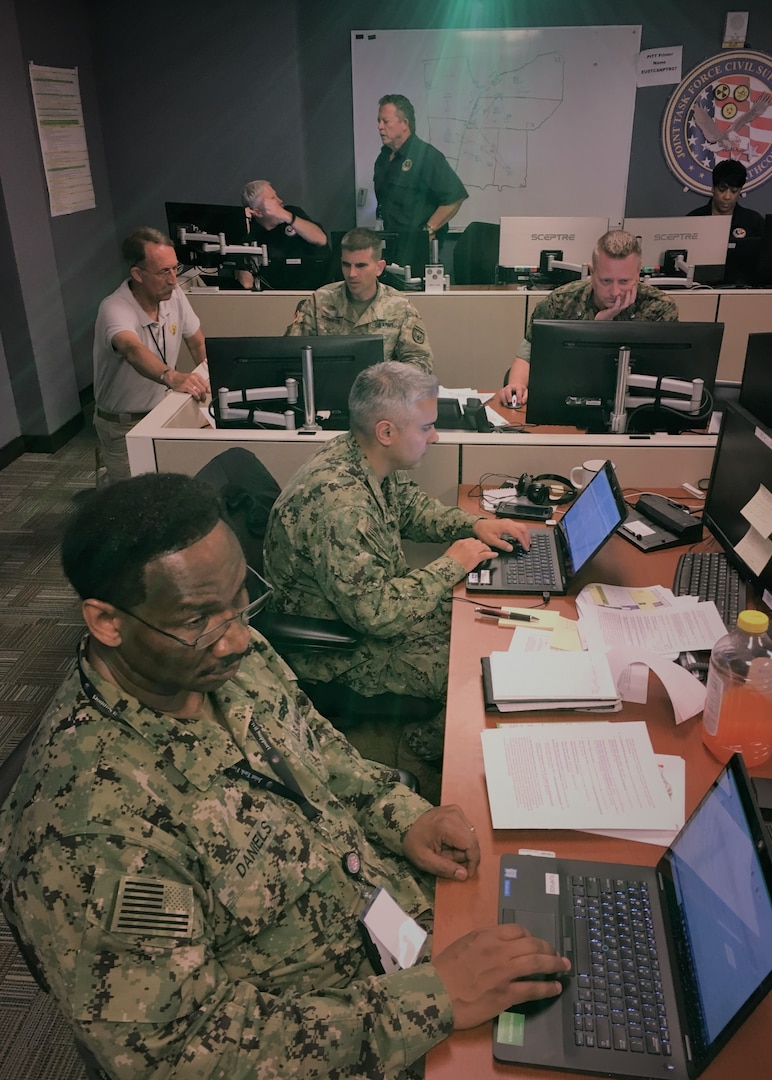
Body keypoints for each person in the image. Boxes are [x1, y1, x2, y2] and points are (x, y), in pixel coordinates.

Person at [0, 473, 569, 1080]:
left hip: (392, 920)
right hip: (340, 1033)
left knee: (582, 959)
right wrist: (435, 998)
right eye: (200, 620)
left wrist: (402, 817)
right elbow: (177, 1054)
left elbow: (319, 751)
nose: (238, 638)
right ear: (107, 622)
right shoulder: (92, 830)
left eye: (240, 600)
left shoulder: (218, 662)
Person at [263, 362, 529, 787]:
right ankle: (418, 746)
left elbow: (412, 509)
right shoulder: (341, 505)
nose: (436, 436)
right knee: (476, 670)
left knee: (484, 622)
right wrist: (451, 565)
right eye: (426, 428)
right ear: (387, 432)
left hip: (368, 609)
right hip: (335, 648)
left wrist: (473, 525)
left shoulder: (362, 455)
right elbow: (376, 615)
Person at [497, 229, 679, 408]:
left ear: (638, 273)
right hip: (568, 404)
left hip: (638, 409)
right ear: (592, 272)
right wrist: (516, 385)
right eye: (606, 281)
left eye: (624, 281)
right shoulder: (562, 300)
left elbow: (666, 375)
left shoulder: (659, 307)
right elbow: (528, 354)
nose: (615, 292)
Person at [93, 227, 209, 483]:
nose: (173, 279)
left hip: (163, 411)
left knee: (168, 490)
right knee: (129, 501)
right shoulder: (114, 307)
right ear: (138, 274)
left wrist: (213, 376)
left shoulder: (174, 295)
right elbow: (132, 350)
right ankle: (106, 477)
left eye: (175, 268)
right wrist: (172, 376)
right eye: (164, 272)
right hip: (123, 423)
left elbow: (196, 342)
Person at [285, 227, 434, 371]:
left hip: (380, 392)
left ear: (379, 268)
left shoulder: (400, 307)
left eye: (361, 266)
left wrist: (388, 378)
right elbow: (289, 353)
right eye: (346, 265)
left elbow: (420, 362)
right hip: (327, 388)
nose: (352, 274)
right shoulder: (320, 301)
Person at [374, 94, 468, 247]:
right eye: (379, 121)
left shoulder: (426, 156)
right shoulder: (383, 158)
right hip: (391, 242)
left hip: (418, 247)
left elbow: (455, 197)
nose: (380, 127)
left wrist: (428, 231)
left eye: (385, 121)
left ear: (404, 124)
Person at [235, 179, 328, 291]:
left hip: (312, 288)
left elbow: (321, 239)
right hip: (274, 297)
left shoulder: (292, 213)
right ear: (258, 212)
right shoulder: (252, 234)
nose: (280, 201)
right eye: (273, 199)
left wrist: (286, 216)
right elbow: (246, 284)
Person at [687, 159, 765, 285]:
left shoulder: (753, 221)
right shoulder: (693, 219)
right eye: (722, 189)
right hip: (701, 290)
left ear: (740, 191)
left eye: (734, 191)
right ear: (713, 188)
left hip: (745, 291)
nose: (727, 197)